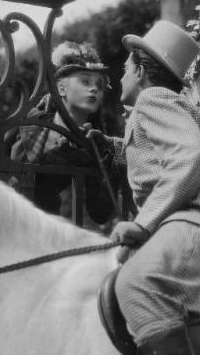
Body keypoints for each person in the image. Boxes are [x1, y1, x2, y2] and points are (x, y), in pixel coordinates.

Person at [88, 21, 200, 355]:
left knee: (136, 283)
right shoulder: (161, 104)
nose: (119, 79)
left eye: (123, 70)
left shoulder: (152, 100)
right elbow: (155, 155)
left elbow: (190, 155)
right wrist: (108, 145)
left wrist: (142, 223)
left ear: (139, 70)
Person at [7, 41, 120, 226]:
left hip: (48, 224)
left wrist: (108, 162)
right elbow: (10, 174)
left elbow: (100, 212)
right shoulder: (32, 123)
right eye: (85, 81)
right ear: (61, 88)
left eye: (99, 86)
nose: (94, 89)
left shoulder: (94, 143)